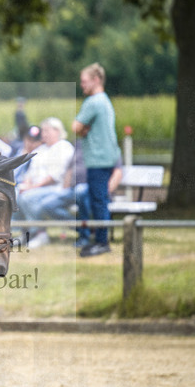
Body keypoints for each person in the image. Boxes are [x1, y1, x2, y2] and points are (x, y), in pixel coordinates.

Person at [71, 62, 122, 258]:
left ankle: (102, 242)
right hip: (106, 158)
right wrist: (86, 128)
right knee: (99, 201)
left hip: (98, 160)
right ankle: (100, 239)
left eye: (84, 82)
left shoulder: (93, 102)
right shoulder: (105, 101)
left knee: (99, 202)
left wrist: (83, 129)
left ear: (96, 80)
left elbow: (75, 126)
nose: (82, 85)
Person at [14, 117, 74, 247]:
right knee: (14, 194)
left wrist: (32, 187)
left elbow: (55, 176)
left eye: (47, 131)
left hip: (56, 189)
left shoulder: (64, 147)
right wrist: (27, 184)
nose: (44, 134)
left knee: (27, 197)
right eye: (43, 131)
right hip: (37, 188)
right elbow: (29, 173)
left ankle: (39, 234)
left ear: (57, 131)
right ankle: (24, 232)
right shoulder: (40, 150)